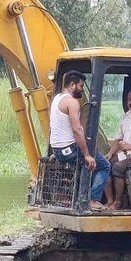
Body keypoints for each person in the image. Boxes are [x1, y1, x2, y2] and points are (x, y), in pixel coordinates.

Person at [48, 70, 110, 211]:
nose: (82, 89)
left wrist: (56, 152)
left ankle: (76, 198)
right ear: (72, 85)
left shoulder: (56, 99)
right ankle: (93, 200)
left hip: (58, 150)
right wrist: (87, 154)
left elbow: (57, 126)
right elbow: (77, 130)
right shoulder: (72, 102)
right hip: (70, 148)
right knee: (103, 166)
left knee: (83, 167)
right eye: (81, 86)